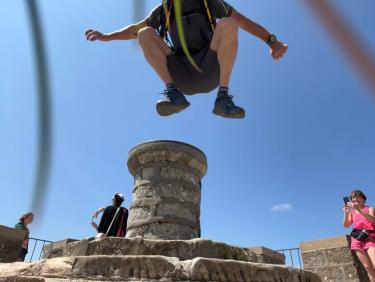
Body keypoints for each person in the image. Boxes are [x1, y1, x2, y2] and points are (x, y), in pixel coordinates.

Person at [85, 0, 288, 119]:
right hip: (181, 74)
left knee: (228, 23)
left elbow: (243, 22)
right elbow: (133, 30)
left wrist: (271, 41)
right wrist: (106, 36)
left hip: (210, 68)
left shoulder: (209, 3)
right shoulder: (165, 9)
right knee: (144, 33)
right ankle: (173, 94)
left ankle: (223, 98)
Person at [343, 190, 375, 282]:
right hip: (357, 238)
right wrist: (346, 212)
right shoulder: (352, 212)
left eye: (357, 196)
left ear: (363, 199)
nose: (355, 199)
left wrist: (358, 209)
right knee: (367, 267)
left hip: (370, 237)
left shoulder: (369, 208)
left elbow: (372, 220)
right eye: (353, 198)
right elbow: (346, 225)